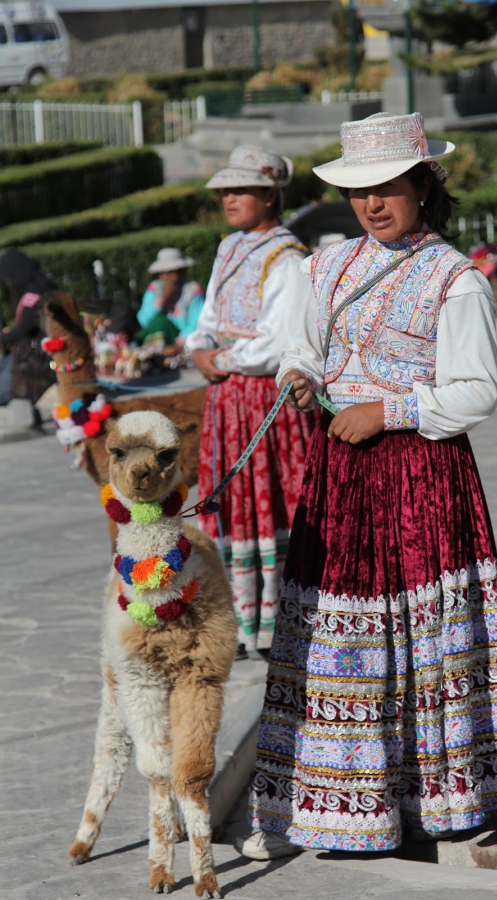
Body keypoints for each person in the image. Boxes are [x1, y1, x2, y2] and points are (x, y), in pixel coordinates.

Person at [238, 112, 497, 860]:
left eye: (388, 189)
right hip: (340, 475)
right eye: (360, 192)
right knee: (332, 637)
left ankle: (447, 797)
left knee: (425, 633)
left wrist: (391, 411)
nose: (373, 204)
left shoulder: (455, 279)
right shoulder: (327, 267)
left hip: (419, 475)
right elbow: (303, 348)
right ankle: (331, 804)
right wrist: (300, 377)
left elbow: (474, 392)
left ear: (421, 188)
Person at [186, 146, 315, 657]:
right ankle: (230, 616)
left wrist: (225, 359)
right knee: (230, 501)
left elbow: (278, 340)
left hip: (263, 401)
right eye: (225, 191)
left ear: (269, 194)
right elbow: (208, 316)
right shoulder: (229, 248)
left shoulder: (288, 258)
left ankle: (271, 618)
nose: (229, 199)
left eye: (240, 190)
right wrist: (200, 350)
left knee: (267, 501)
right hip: (226, 399)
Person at [0, 249, 56, 406]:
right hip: (29, 354)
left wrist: (4, 336)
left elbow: (23, 330)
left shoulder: (33, 294)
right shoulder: (42, 287)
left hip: (30, 361)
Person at [137, 247, 205, 346]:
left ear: (182, 271)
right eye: (163, 272)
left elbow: (197, 320)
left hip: (184, 340)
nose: (166, 276)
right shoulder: (154, 289)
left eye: (171, 271)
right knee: (161, 322)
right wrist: (163, 297)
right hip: (156, 341)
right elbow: (144, 320)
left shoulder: (193, 290)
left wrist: (182, 339)